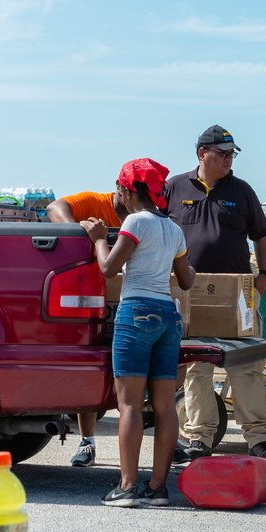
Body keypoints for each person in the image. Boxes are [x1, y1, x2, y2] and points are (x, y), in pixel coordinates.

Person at [81, 158, 195, 507]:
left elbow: (109, 269)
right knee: (164, 406)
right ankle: (158, 488)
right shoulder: (173, 229)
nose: (119, 196)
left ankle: (127, 486)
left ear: (130, 190)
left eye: (120, 190)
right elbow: (187, 280)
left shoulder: (135, 221)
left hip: (137, 314)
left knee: (129, 403)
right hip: (167, 316)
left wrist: (100, 238)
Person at [165, 124, 266, 465]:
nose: (230, 160)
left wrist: (262, 275)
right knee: (198, 367)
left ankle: (258, 439)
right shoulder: (173, 188)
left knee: (245, 366)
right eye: (223, 153)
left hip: (238, 293)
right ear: (202, 153)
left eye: (232, 154)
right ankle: (200, 438)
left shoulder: (242, 191)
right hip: (191, 291)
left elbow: (261, 234)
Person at [46, 189, 129, 468]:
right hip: (92, 296)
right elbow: (55, 207)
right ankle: (87, 442)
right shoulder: (96, 202)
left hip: (130, 299)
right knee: (91, 369)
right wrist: (76, 232)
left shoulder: (147, 211)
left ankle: (167, 442)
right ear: (120, 188)